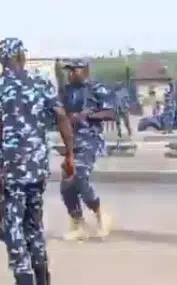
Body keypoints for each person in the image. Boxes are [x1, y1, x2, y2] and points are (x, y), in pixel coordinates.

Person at [0, 38, 74, 285]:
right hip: (37, 167)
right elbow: (61, 117)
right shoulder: (42, 82)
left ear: (2, 59)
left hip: (11, 170)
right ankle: (42, 278)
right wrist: (70, 153)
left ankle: (24, 279)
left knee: (13, 228)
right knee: (33, 224)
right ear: (21, 56)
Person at [59, 59, 114, 241]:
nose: (72, 73)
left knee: (80, 175)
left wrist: (88, 115)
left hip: (90, 138)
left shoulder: (97, 88)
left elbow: (111, 113)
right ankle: (78, 223)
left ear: (86, 70)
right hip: (71, 140)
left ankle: (100, 215)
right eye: (69, 70)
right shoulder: (66, 91)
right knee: (67, 184)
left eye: (76, 69)